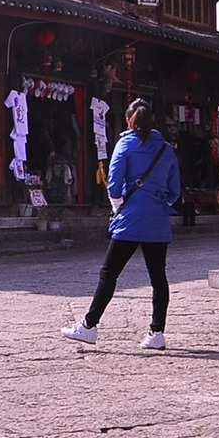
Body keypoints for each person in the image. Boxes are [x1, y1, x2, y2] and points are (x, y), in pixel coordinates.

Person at [61, 99, 180, 350]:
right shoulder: (167, 149)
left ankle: (89, 326)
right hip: (157, 220)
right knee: (158, 277)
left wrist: (118, 209)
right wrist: (158, 202)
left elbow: (113, 184)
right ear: (153, 121)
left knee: (109, 273)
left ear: (129, 120)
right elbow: (174, 191)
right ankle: (157, 333)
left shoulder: (125, 144)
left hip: (131, 219)